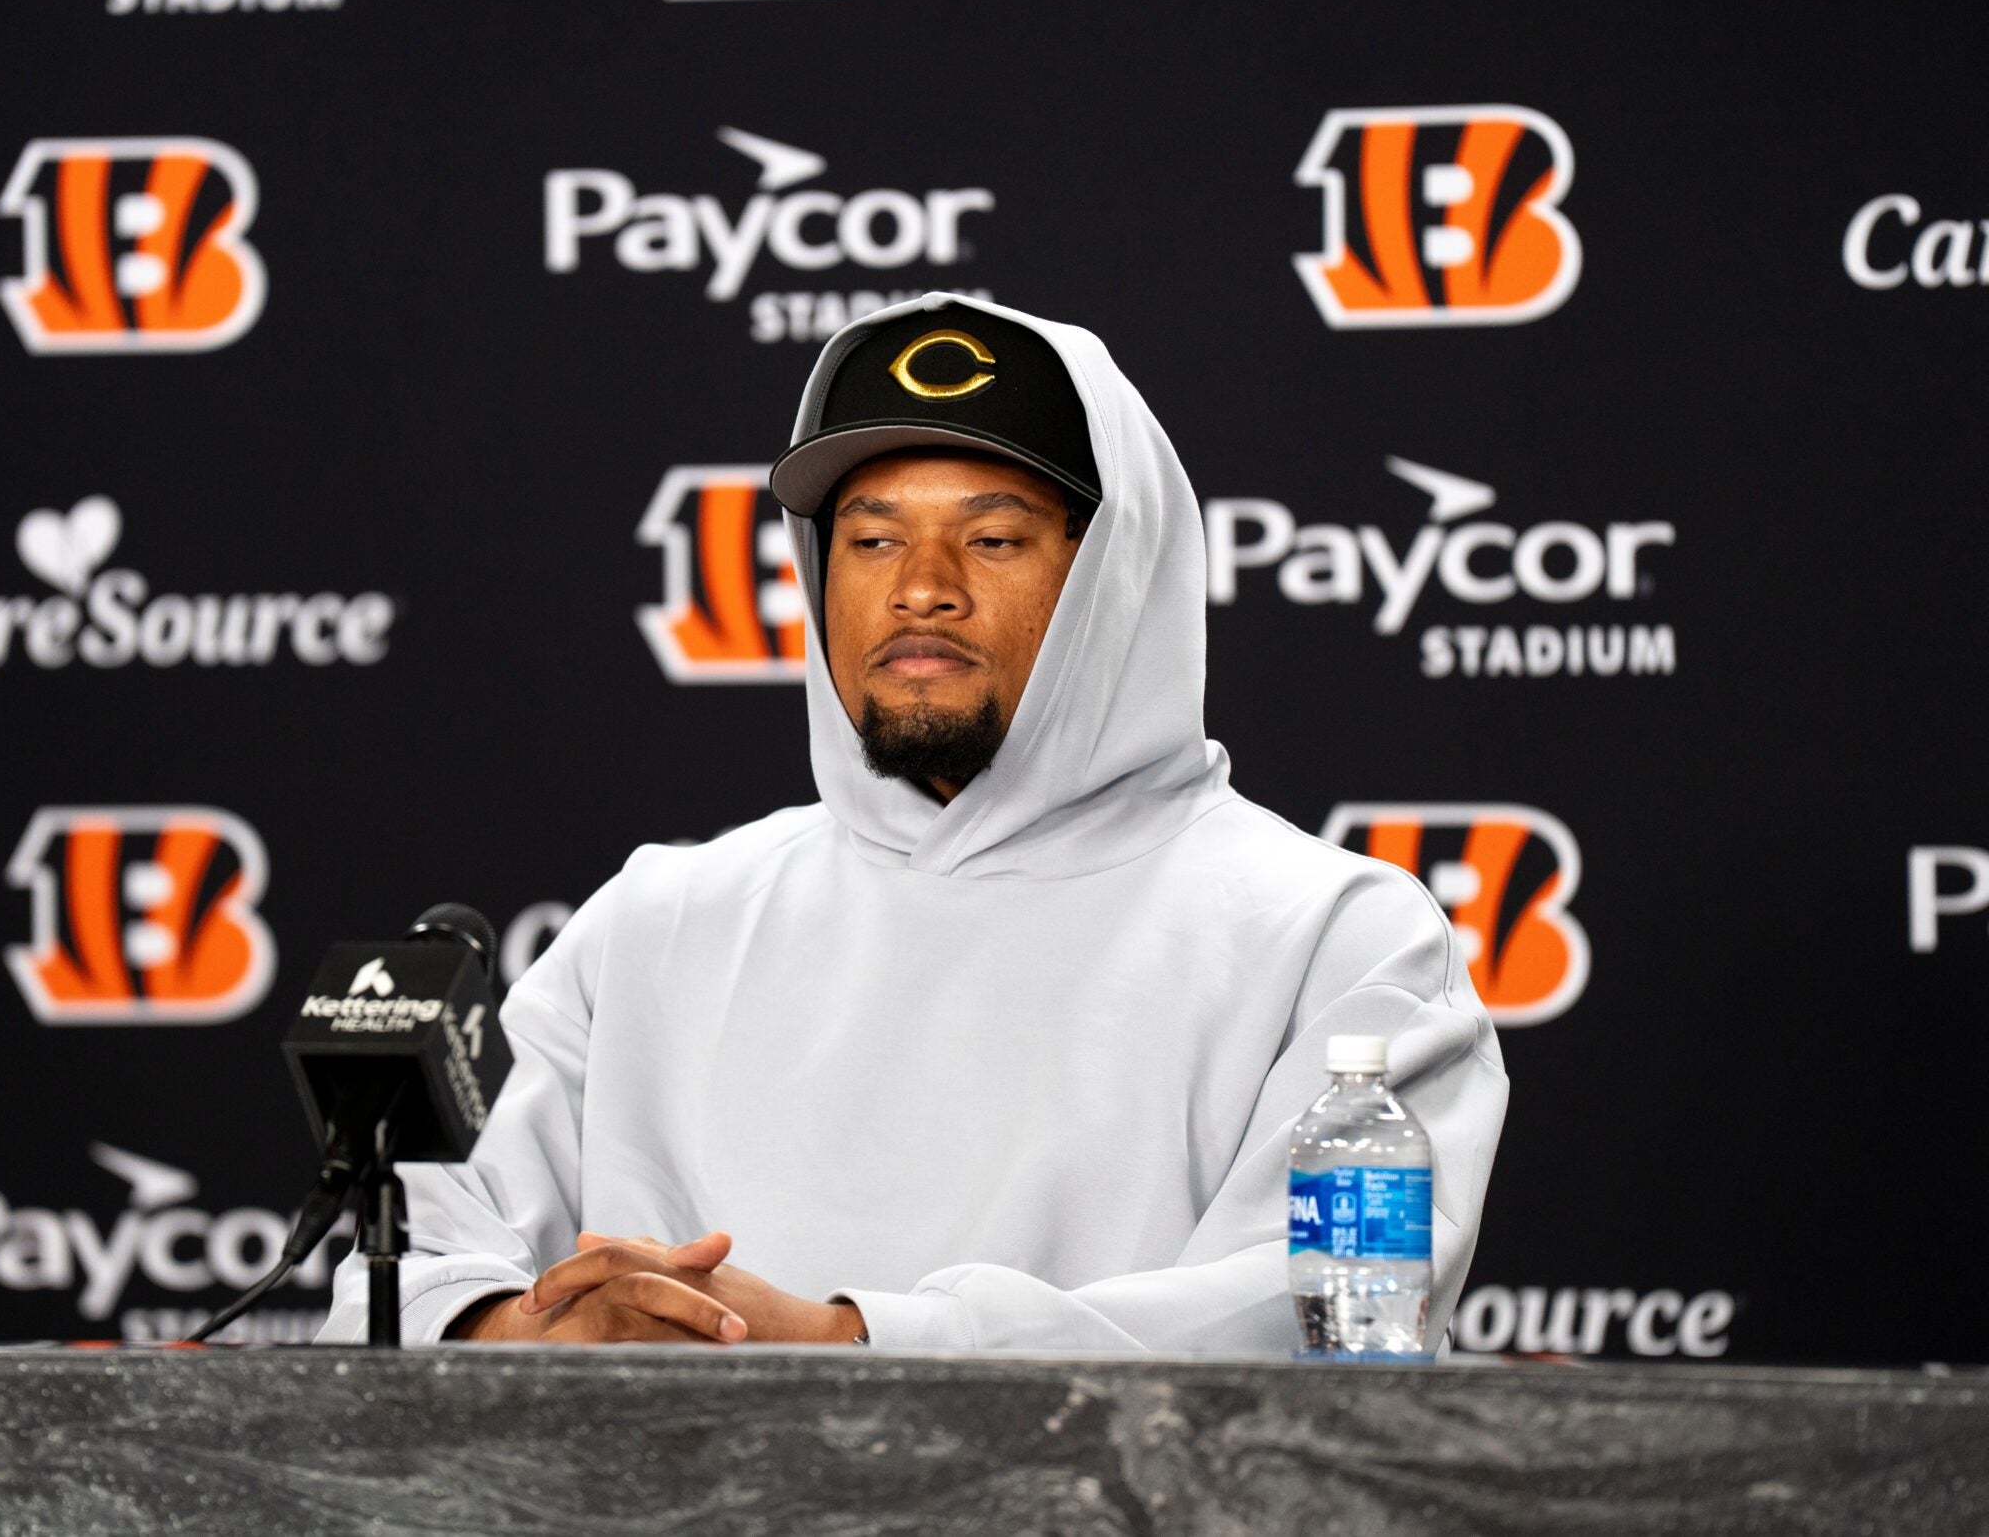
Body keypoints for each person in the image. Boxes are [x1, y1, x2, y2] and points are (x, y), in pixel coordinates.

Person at [317, 295, 1507, 1351]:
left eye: (989, 539)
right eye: (872, 538)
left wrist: (849, 1343)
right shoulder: (662, 921)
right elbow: (404, 1265)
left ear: (1116, 577)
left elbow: (1320, 1324)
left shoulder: (1336, 939)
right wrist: (524, 1334)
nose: (918, 587)